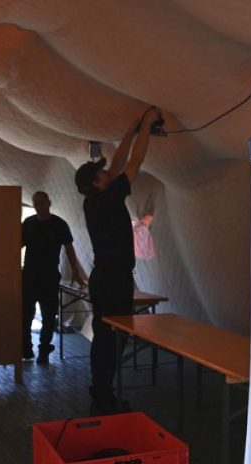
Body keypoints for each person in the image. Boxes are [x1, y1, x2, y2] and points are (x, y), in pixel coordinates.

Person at [74, 105, 162, 415]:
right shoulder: (108, 199)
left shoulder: (95, 201)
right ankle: (103, 396)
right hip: (113, 281)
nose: (107, 171)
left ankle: (101, 392)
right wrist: (148, 124)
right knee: (112, 339)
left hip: (106, 278)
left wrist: (131, 130)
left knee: (105, 337)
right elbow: (133, 163)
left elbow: (119, 163)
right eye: (102, 173)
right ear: (97, 183)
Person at [21, 190, 87, 365]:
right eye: (36, 203)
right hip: (29, 276)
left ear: (49, 203)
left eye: (42, 203)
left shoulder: (59, 224)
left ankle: (44, 349)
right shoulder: (27, 224)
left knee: (49, 315)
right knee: (26, 313)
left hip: (49, 276)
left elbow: (69, 248)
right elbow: (16, 245)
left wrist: (75, 271)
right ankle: (26, 347)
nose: (40, 206)